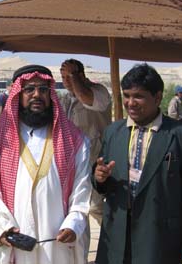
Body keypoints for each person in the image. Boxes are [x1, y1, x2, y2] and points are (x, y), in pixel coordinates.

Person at [0, 65, 92, 264]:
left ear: (51, 95)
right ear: (18, 95)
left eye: (43, 89)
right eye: (29, 89)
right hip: (16, 239)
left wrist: (73, 223)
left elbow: (82, 188)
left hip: (56, 242)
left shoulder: (74, 140)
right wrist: (2, 229)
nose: (36, 94)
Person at [93, 63, 182, 264]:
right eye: (126, 96)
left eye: (138, 96)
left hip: (160, 240)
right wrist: (99, 177)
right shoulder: (113, 132)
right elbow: (104, 184)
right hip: (117, 238)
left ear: (158, 97)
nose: (130, 103)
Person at [60, 58, 112, 262]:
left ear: (81, 75)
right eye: (63, 77)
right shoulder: (66, 99)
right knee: (79, 211)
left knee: (96, 208)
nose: (66, 81)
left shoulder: (98, 92)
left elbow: (87, 98)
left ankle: (119, 242)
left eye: (70, 76)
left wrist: (75, 80)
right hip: (73, 165)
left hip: (96, 162)